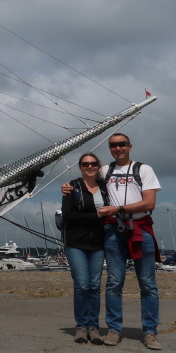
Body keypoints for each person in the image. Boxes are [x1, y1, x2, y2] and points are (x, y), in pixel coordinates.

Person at [62, 133, 162, 350]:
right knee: (114, 283)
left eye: (122, 144)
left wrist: (120, 209)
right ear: (110, 149)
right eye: (113, 145)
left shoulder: (143, 170)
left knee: (148, 283)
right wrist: (67, 187)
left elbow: (149, 202)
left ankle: (150, 332)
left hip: (139, 229)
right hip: (114, 231)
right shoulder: (105, 171)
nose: (118, 148)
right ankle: (114, 329)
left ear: (129, 146)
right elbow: (86, 183)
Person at [61, 153, 108, 344]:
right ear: (80, 166)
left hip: (98, 242)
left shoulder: (105, 187)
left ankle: (93, 327)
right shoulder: (72, 187)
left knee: (95, 287)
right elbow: (68, 216)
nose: (90, 166)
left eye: (93, 163)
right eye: (85, 164)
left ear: (98, 166)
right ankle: (81, 326)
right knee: (82, 285)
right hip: (76, 242)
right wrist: (97, 215)